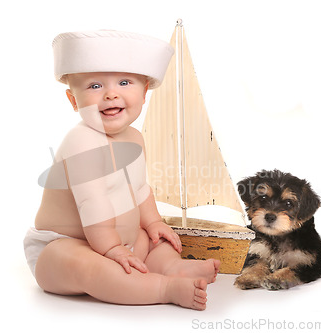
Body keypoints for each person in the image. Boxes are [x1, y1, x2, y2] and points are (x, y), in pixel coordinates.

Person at [24, 30, 220, 311]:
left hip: (120, 241)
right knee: (91, 268)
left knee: (152, 242)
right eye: (94, 86)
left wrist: (154, 224)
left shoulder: (135, 138)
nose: (111, 94)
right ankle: (164, 287)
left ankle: (174, 267)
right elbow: (92, 202)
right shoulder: (82, 141)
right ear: (73, 100)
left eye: (124, 82)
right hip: (64, 249)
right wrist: (112, 249)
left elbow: (139, 190)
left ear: (143, 92)